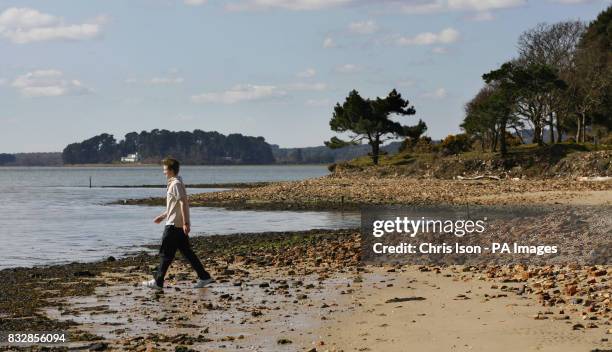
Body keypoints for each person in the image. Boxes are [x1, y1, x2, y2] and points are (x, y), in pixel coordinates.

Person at [142, 157, 213, 290]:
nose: (163, 172)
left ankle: (158, 282)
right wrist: (163, 216)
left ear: (171, 170)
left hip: (174, 226)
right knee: (187, 253)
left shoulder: (176, 184)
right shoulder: (176, 183)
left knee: (165, 254)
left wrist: (186, 222)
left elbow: (183, 203)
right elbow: (174, 206)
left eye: (165, 169)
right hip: (176, 225)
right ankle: (204, 277)